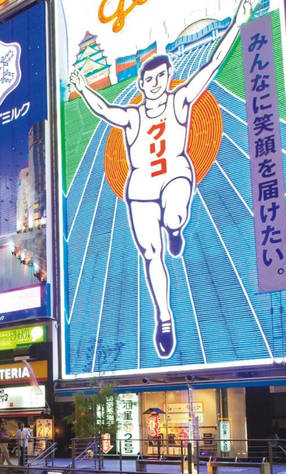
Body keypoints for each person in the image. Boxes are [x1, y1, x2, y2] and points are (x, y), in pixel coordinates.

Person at [69, 0, 251, 359]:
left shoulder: (180, 100)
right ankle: (164, 317)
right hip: (140, 190)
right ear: (141, 82)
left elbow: (213, 65)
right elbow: (105, 110)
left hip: (176, 175)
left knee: (173, 212)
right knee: (151, 254)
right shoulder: (133, 116)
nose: (155, 84)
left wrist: (237, 24)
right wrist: (84, 86)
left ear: (168, 77)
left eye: (160, 77)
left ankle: (175, 226)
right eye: (149, 79)